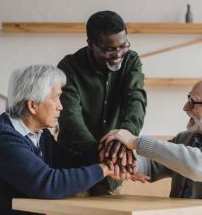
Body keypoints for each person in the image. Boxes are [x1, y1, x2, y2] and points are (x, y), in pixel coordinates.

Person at [101, 77, 202, 215]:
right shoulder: (187, 138)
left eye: (193, 102)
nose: (185, 107)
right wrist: (124, 164)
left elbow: (199, 165)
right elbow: (152, 164)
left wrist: (137, 141)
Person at [0, 65, 113, 215]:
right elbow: (47, 183)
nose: (61, 107)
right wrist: (105, 169)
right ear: (33, 105)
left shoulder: (40, 135)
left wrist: (111, 159)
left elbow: (71, 161)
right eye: (56, 98)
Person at [57, 10, 147, 194]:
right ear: (91, 44)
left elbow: (135, 100)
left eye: (123, 46)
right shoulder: (69, 67)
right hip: (74, 167)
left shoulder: (131, 60)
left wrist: (125, 139)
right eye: (109, 49)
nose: (118, 54)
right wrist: (106, 156)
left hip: (113, 170)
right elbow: (70, 119)